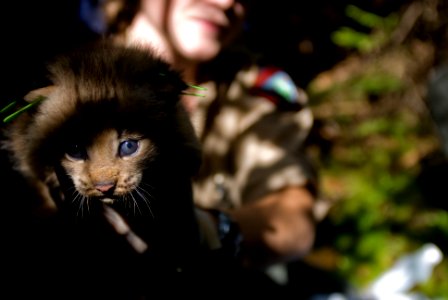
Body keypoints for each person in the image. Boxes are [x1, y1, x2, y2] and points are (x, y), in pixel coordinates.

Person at [80, 0, 319, 291]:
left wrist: (206, 232)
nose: (227, 2)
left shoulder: (252, 89)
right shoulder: (55, 79)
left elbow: (293, 216)